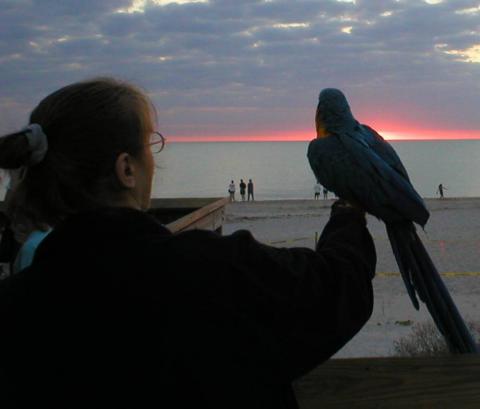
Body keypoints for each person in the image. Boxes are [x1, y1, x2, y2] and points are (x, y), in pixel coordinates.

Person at [0, 77, 375, 409]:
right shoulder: (209, 269)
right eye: (151, 144)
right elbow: (337, 286)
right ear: (126, 169)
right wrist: (349, 212)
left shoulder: (15, 307)